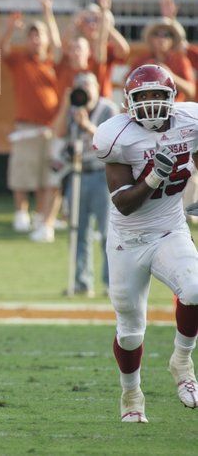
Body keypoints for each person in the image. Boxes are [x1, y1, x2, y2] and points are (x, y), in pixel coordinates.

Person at [94, 64, 198, 422]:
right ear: (128, 102)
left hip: (170, 228)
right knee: (130, 331)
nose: (151, 103)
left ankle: (182, 361)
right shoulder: (116, 136)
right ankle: (131, 394)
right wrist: (155, 175)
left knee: (196, 289)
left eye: (158, 95)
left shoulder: (191, 120)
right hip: (129, 239)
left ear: (173, 98)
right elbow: (122, 202)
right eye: (143, 96)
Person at [52, 72, 117, 296]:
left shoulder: (107, 109)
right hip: (78, 174)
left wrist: (87, 124)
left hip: (102, 175)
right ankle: (81, 282)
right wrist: (65, 105)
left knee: (108, 232)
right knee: (77, 231)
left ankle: (111, 283)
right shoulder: (71, 110)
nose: (84, 90)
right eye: (79, 86)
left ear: (97, 87)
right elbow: (58, 133)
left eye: (88, 85)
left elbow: (111, 139)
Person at [0, 0, 60, 235]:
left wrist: (48, 12)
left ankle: (41, 216)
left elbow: (58, 44)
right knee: (22, 174)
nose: (36, 40)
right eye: (32, 36)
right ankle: (20, 213)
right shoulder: (20, 60)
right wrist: (10, 29)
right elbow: (1, 50)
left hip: (50, 128)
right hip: (26, 126)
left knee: (47, 177)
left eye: (40, 36)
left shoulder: (54, 62)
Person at [131, 18, 194, 102]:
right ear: (151, 39)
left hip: (174, 109)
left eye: (167, 35)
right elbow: (127, 84)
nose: (161, 38)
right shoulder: (141, 60)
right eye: (156, 34)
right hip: (145, 108)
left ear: (173, 40)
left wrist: (170, 75)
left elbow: (191, 91)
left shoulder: (180, 61)